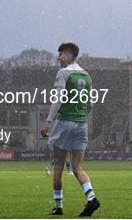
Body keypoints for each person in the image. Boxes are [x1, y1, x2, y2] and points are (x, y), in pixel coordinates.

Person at [41, 42, 100, 216]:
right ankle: (92, 199)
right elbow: (90, 104)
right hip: (82, 124)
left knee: (58, 166)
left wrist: (48, 121)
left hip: (65, 122)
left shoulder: (63, 73)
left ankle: (58, 207)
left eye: (61, 55)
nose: (59, 58)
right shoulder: (87, 76)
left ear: (67, 55)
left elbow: (58, 99)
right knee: (77, 167)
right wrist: (81, 117)